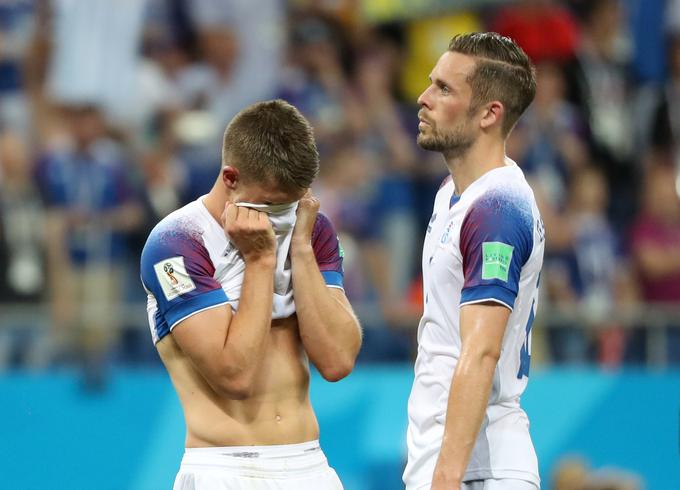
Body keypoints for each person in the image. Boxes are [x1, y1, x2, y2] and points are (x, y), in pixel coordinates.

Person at [139, 99, 362, 489]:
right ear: (230, 178)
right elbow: (234, 376)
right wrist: (260, 262)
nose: (284, 217)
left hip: (310, 463)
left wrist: (303, 250)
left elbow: (338, 361)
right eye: (273, 204)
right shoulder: (178, 242)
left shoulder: (309, 228)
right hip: (224, 468)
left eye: (293, 203)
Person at [403, 33, 544, 490]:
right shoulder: (452, 194)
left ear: (489, 113)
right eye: (431, 83)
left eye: (444, 89)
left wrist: (445, 480)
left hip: (478, 470)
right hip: (447, 459)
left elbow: (481, 352)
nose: (423, 99)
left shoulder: (497, 209)